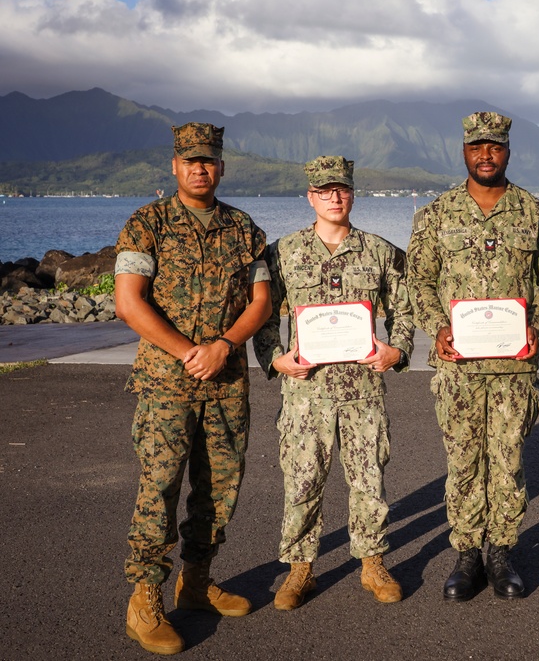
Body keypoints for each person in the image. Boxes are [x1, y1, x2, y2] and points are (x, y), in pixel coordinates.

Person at [115, 122, 271, 655]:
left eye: (208, 160)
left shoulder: (244, 228)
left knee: (219, 488)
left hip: (226, 382)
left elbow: (260, 302)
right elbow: (129, 302)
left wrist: (224, 345)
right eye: (190, 161)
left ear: (222, 167)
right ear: (175, 167)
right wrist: (188, 351)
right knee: (158, 487)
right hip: (167, 382)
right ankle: (144, 600)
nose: (199, 168)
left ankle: (197, 583)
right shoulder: (147, 223)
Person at [406, 111, 539, 600]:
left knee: (507, 459)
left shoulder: (536, 214)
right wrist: (436, 327)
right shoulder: (435, 215)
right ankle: (466, 554)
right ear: (464, 151)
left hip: (513, 366)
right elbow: (419, 280)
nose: (485, 155)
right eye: (477, 146)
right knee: (462, 461)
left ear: (507, 152)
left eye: (494, 146)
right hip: (458, 367)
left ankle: (501, 552)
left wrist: (536, 323)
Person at [253, 155, 414, 609]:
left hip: (362, 391)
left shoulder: (380, 251)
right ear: (311, 197)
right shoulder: (283, 254)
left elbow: (405, 309)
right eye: (324, 191)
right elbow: (262, 313)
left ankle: (372, 563)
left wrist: (396, 349)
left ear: (352, 194)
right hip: (306, 394)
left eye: (341, 189)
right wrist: (274, 358)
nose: (334, 197)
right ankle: (300, 570)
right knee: (302, 483)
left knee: (369, 481)